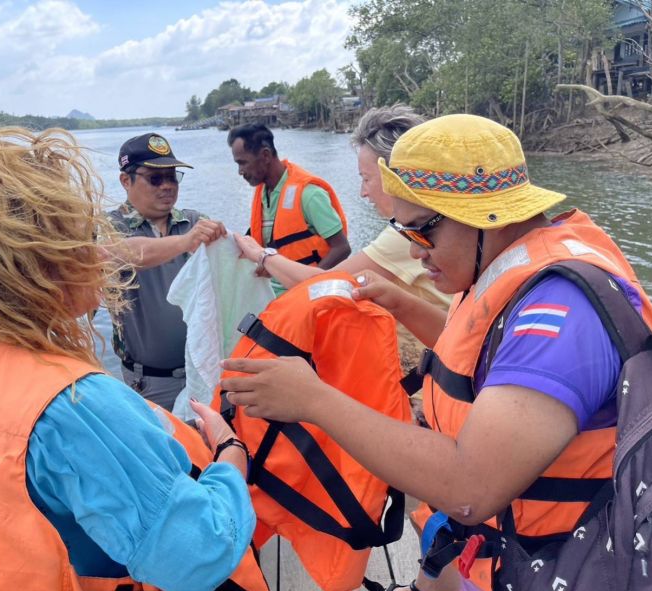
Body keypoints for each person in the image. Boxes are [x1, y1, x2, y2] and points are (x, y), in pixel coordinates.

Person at [219, 114, 652, 591]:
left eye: (421, 232)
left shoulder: (559, 314)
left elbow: (471, 489)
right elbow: (483, 360)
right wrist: (400, 301)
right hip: (503, 549)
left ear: (480, 216)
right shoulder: (508, 261)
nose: (415, 253)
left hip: (567, 562)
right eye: (404, 234)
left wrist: (313, 401)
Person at [0, 128, 259, 591]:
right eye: (83, 238)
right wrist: (229, 454)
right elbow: (199, 555)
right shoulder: (71, 406)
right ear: (43, 263)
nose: (97, 256)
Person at [233, 105, 450, 383]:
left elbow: (325, 282)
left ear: (395, 178)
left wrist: (261, 255)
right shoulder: (435, 223)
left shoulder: (406, 236)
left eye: (366, 178)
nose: (363, 192)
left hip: (429, 383)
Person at [110, 132, 226, 411]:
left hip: (206, 373)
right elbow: (126, 253)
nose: (167, 186)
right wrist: (184, 243)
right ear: (126, 181)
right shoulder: (109, 228)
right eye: (155, 178)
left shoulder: (195, 222)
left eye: (172, 177)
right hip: (149, 384)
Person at [227, 122, 351, 295]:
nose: (240, 171)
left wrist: (307, 286)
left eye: (243, 163)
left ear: (265, 156)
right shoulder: (263, 193)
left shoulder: (309, 195)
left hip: (307, 296)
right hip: (272, 295)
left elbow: (342, 248)